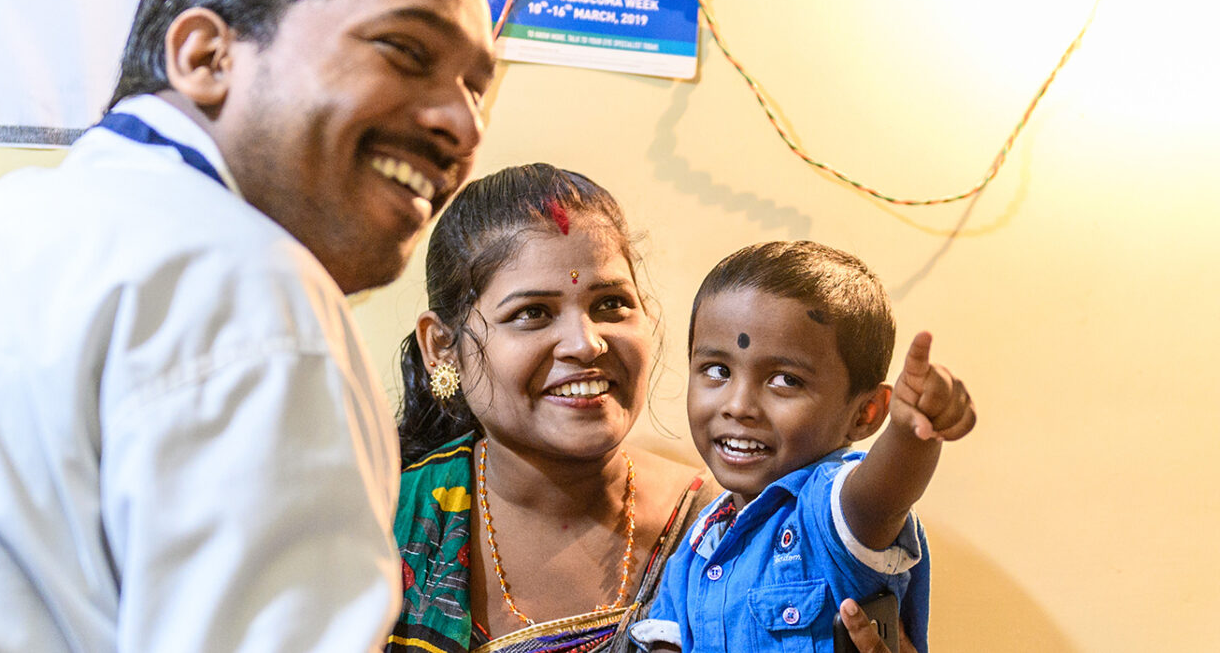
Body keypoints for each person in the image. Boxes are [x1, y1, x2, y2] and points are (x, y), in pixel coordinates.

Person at [0, 0, 524, 651]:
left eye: (476, 89)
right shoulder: (251, 288)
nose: (461, 126)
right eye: (405, 50)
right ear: (205, 55)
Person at [386, 166, 926, 653]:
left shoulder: (747, 523)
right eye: (532, 312)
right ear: (441, 346)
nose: (586, 342)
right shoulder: (383, 521)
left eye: (610, 305)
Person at [630, 241, 976, 652]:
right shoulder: (695, 550)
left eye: (785, 380)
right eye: (718, 371)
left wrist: (910, 432)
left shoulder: (827, 510)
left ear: (865, 413)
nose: (738, 406)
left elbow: (883, 496)